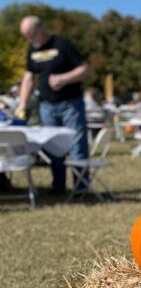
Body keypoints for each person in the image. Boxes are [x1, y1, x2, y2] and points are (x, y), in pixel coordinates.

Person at [17, 15, 89, 196]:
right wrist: (22, 103)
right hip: (47, 105)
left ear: (40, 29)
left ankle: (81, 188)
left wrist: (63, 79)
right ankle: (58, 186)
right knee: (53, 147)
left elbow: (84, 69)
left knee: (76, 145)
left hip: (70, 103)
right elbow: (28, 78)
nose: (29, 40)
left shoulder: (62, 44)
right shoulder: (32, 51)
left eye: (31, 35)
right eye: (26, 36)